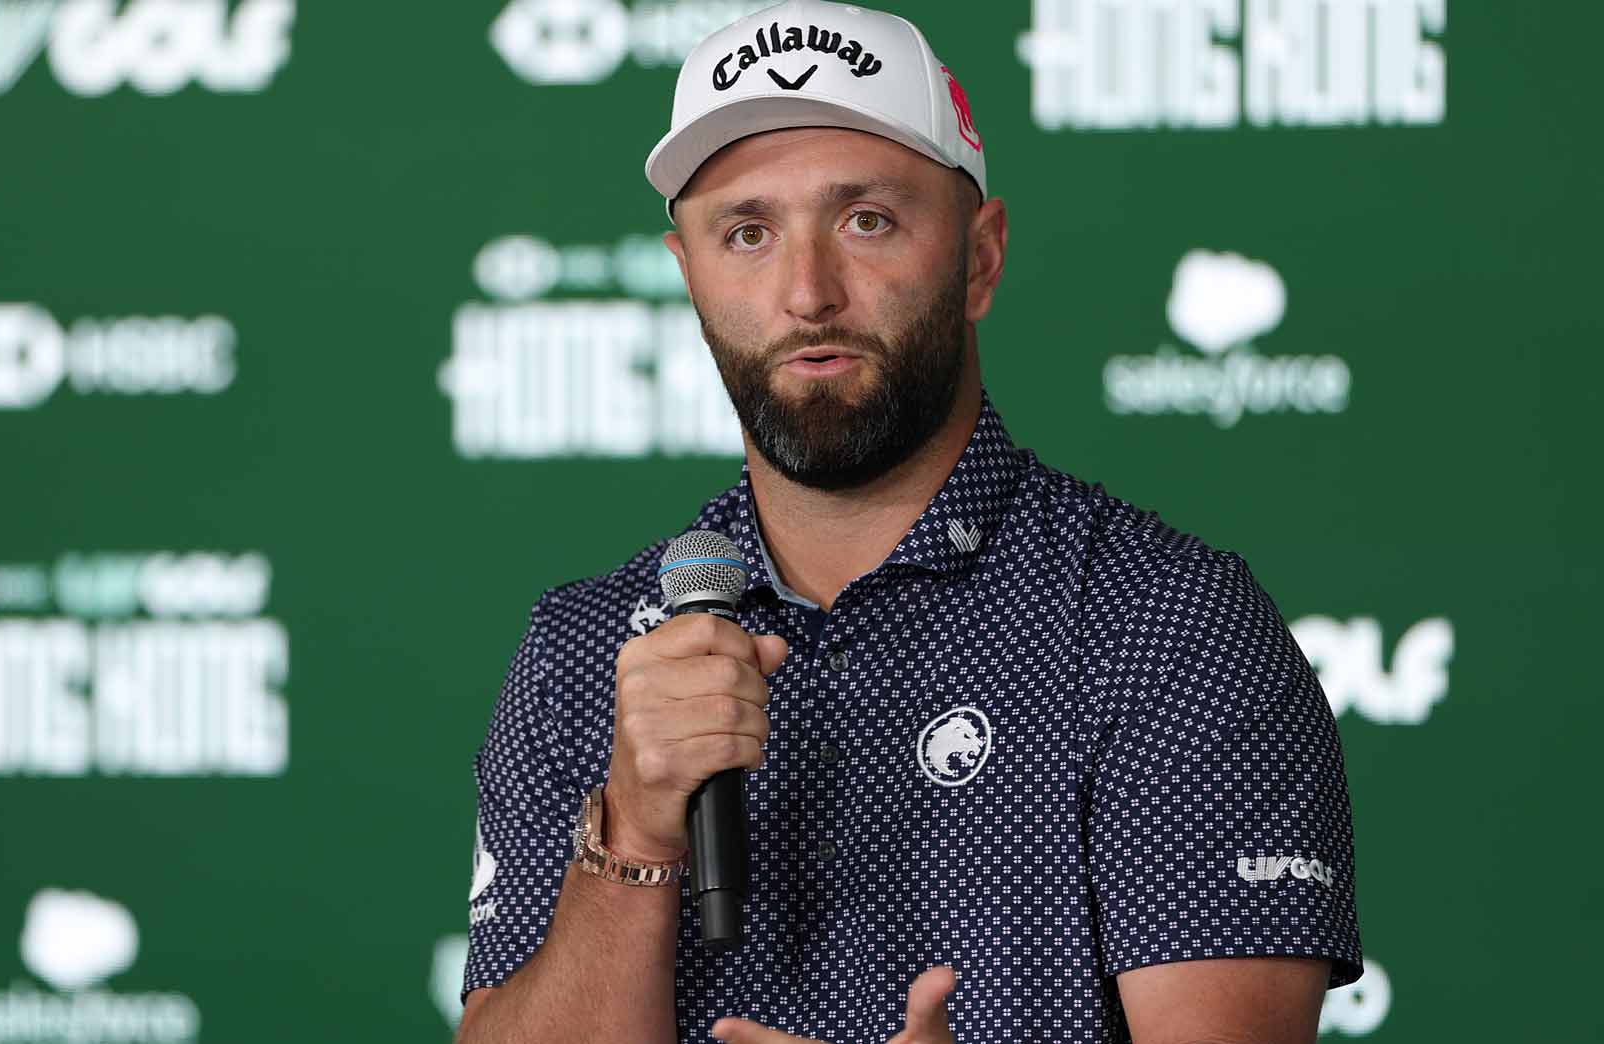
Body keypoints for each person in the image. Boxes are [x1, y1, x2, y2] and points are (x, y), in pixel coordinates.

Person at [454, 1, 1362, 1041]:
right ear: (687, 275)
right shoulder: (584, 653)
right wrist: (634, 823)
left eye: (865, 220)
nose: (806, 292)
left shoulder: (1163, 623)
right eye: (746, 232)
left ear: (979, 258)